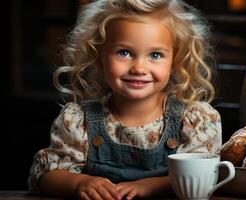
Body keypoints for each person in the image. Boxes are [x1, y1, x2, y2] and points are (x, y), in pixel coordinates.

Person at [28, 0, 222, 199]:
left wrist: (151, 186)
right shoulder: (79, 121)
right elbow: (43, 177)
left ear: (175, 61)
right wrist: (79, 183)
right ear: (99, 57)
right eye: (124, 52)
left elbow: (205, 176)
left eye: (155, 55)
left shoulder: (195, 120)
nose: (138, 68)